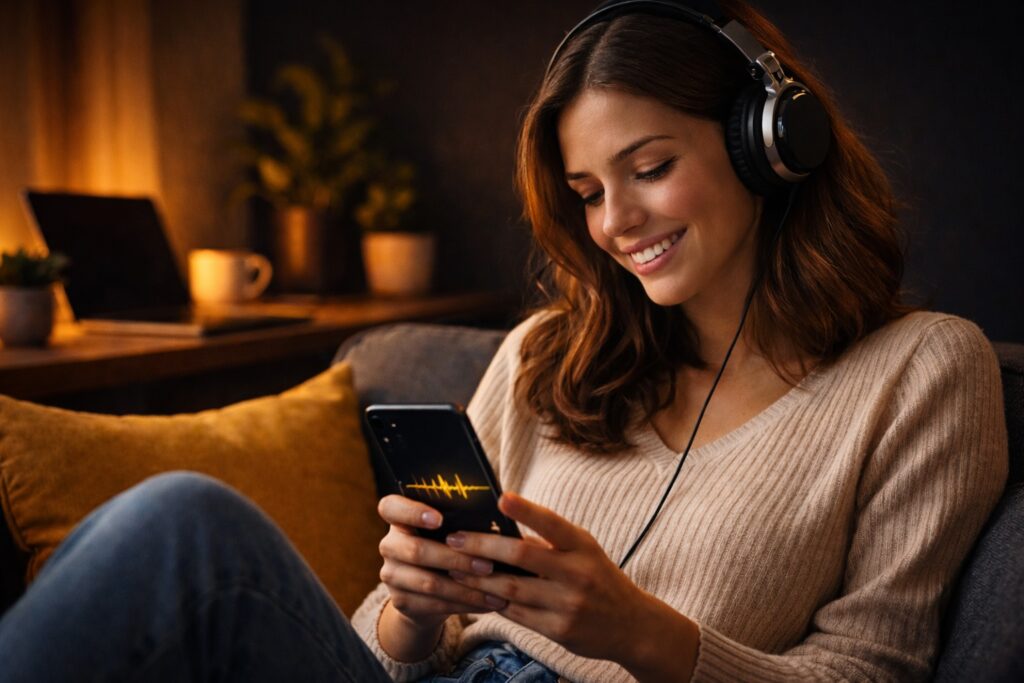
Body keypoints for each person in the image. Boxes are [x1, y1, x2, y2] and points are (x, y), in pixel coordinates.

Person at [0, 1, 1008, 682]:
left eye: (650, 167)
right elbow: (390, 647)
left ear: (767, 142)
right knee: (184, 524)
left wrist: (640, 632)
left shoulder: (923, 370)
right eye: (588, 191)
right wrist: (409, 608)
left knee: (184, 521)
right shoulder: (544, 355)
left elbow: (873, 668)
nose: (615, 223)